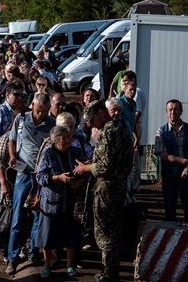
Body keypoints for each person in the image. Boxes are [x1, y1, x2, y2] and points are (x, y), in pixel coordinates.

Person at [72, 100, 133, 282]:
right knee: (113, 227)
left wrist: (86, 169)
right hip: (117, 184)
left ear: (100, 113)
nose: (91, 125)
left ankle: (109, 273)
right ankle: (111, 271)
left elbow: (106, 166)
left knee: (106, 231)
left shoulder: (109, 132)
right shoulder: (119, 128)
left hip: (108, 187)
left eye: (92, 120)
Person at [5, 93, 55, 275]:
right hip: (23, 173)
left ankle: (34, 252)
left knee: (38, 216)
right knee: (18, 217)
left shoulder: (52, 124)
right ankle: (12, 258)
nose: (40, 114)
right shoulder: (21, 119)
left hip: (40, 175)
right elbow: (12, 140)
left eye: (43, 111)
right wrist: (12, 156)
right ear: (32, 105)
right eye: (37, 110)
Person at [36, 125, 86, 279]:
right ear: (56, 140)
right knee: (48, 236)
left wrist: (81, 181)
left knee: (71, 235)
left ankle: (70, 266)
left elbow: (85, 168)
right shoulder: (48, 153)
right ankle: (47, 265)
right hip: (52, 201)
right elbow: (40, 177)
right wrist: (58, 178)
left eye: (69, 136)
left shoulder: (75, 152)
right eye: (64, 137)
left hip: (71, 201)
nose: (68, 140)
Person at [154, 99, 188, 223]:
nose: (173, 112)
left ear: (181, 111)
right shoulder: (161, 132)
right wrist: (185, 161)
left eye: (175, 109)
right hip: (170, 176)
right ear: (166, 112)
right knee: (169, 212)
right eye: (170, 110)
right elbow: (164, 155)